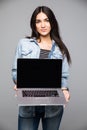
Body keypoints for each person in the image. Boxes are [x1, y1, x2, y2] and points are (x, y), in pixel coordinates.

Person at [12, 6, 71, 130]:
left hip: (53, 106)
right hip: (28, 103)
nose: (43, 25)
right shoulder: (23, 43)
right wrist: (19, 82)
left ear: (52, 22)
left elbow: (63, 77)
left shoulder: (61, 49)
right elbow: (16, 71)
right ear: (34, 25)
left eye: (47, 20)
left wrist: (65, 91)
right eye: (38, 21)